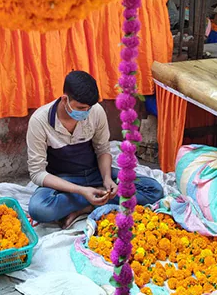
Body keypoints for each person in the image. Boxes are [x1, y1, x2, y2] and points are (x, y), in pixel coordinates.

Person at [26, 71, 164, 228]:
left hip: (95, 173)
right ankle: (93, 197)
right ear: (65, 99)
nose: (85, 113)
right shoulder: (40, 121)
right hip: (64, 179)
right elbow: (37, 173)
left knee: (154, 190)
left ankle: (87, 206)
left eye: (88, 108)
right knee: (39, 209)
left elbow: (103, 149)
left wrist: (107, 178)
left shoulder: (96, 111)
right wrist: (81, 191)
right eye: (81, 107)